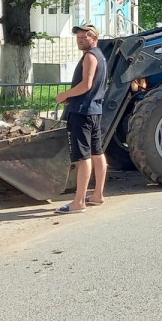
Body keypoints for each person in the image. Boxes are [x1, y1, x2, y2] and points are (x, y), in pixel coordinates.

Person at [54, 23, 108, 214]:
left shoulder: (90, 57)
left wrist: (64, 95)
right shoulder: (101, 56)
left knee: (83, 156)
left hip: (82, 112)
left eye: (84, 37)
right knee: (97, 152)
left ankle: (78, 202)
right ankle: (97, 195)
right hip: (94, 111)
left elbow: (86, 85)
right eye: (78, 37)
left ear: (94, 38)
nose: (80, 39)